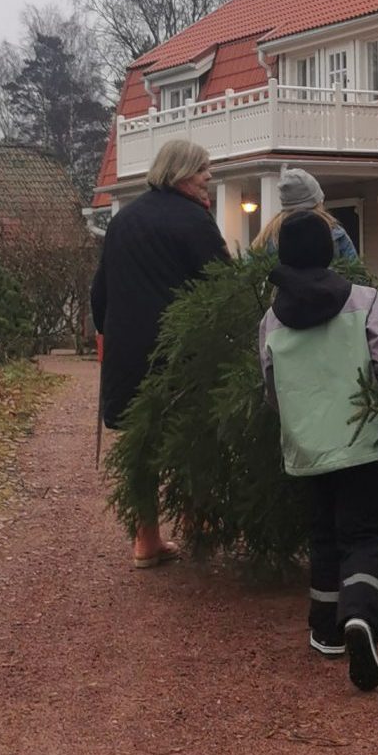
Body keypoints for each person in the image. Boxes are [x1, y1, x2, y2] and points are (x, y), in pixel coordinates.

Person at [258, 210, 378, 692]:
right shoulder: (363, 300)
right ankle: (360, 616)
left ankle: (325, 630)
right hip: (361, 439)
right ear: (329, 250)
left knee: (323, 533)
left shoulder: (270, 319)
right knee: (364, 533)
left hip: (306, 446)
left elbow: (270, 388)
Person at [91, 137, 230, 568]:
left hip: (128, 351)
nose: (209, 178)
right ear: (183, 173)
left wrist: (108, 334)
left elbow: (100, 291)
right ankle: (196, 526)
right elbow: (221, 286)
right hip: (180, 351)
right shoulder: (194, 221)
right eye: (204, 169)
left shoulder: (124, 220)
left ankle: (145, 539)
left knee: (142, 444)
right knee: (191, 438)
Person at [253, 166, 359, 260]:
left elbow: (246, 274)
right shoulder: (334, 232)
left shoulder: (269, 235)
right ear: (317, 201)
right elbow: (356, 274)